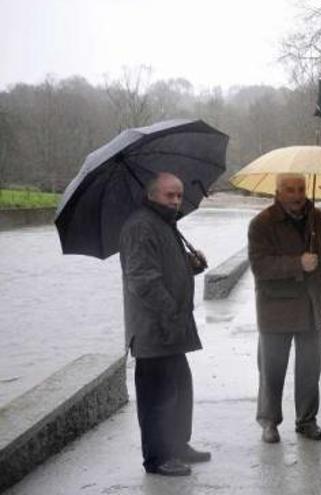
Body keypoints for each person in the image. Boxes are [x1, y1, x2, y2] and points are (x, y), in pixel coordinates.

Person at [119, 172, 211, 477]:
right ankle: (157, 458)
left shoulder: (165, 224)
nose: (175, 200)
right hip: (153, 328)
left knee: (180, 388)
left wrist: (191, 265)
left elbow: (167, 268)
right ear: (152, 195)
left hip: (172, 326)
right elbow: (143, 279)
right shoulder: (139, 226)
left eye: (179, 195)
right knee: (156, 396)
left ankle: (177, 444)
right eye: (169, 195)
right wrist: (171, 311)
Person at [248, 173, 321, 443]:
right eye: (290, 190)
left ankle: (307, 420)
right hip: (275, 308)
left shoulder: (320, 220)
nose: (298, 195)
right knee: (271, 369)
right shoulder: (261, 224)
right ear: (277, 192)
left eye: (300, 189)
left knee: (310, 370)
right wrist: (297, 263)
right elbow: (260, 266)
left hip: (313, 306)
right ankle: (269, 421)